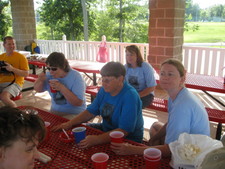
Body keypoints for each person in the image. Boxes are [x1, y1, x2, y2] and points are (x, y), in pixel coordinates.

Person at [111, 58, 210, 157]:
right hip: (189, 143)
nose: (165, 77)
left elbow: (173, 149)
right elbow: (171, 122)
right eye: (162, 73)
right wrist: (153, 139)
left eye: (170, 74)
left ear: (182, 78)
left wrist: (132, 150)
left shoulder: (182, 106)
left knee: (139, 151)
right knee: (155, 127)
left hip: (194, 155)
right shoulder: (177, 95)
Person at [52, 61, 144, 148]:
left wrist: (97, 139)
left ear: (120, 79)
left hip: (128, 140)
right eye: (102, 80)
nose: (103, 84)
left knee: (86, 143)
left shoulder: (130, 96)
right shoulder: (104, 90)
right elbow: (91, 111)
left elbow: (124, 130)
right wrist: (69, 123)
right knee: (75, 130)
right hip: (106, 129)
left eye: (107, 80)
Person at [34, 52, 86, 119]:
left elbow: (78, 103)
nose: (51, 71)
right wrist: (40, 80)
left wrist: (62, 88)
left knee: (61, 127)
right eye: (48, 68)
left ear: (63, 66)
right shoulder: (49, 75)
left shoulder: (76, 77)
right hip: (55, 111)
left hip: (75, 113)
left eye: (54, 69)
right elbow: (37, 89)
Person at [0, 36, 29, 107]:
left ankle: (17, 115)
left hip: (16, 83)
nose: (12, 46)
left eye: (13, 44)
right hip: (1, 82)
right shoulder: (1, 57)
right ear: (4, 45)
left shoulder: (21, 57)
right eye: (9, 44)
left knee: (4, 97)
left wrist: (12, 69)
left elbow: (26, 74)